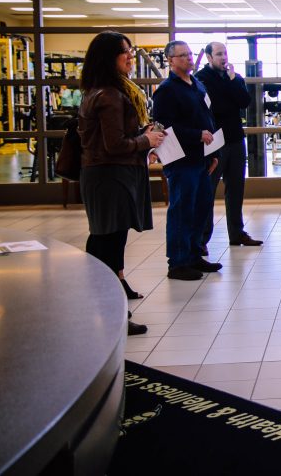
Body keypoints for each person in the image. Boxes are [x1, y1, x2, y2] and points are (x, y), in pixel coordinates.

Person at [78, 32, 164, 335]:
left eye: (131, 50)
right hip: (109, 176)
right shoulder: (110, 96)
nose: (130, 57)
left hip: (111, 175)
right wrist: (146, 140)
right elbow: (114, 145)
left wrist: (144, 137)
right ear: (107, 58)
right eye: (125, 52)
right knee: (107, 241)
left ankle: (110, 301)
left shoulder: (106, 91)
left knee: (109, 240)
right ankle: (109, 311)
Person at [152, 40, 222, 281]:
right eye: (182, 56)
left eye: (190, 54)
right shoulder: (167, 90)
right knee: (182, 210)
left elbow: (207, 118)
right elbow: (163, 126)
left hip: (201, 158)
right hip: (181, 159)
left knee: (200, 207)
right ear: (170, 61)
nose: (188, 59)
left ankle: (194, 255)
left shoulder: (197, 85)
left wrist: (213, 154)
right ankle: (178, 262)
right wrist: (196, 135)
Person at [195, 41, 262, 249]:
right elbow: (216, 106)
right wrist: (230, 93)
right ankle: (202, 238)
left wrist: (233, 82)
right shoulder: (201, 79)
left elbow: (244, 102)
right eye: (218, 54)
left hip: (235, 138)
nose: (223, 58)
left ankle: (237, 232)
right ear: (208, 57)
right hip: (214, 141)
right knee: (209, 188)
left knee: (236, 188)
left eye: (225, 53)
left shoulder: (235, 78)